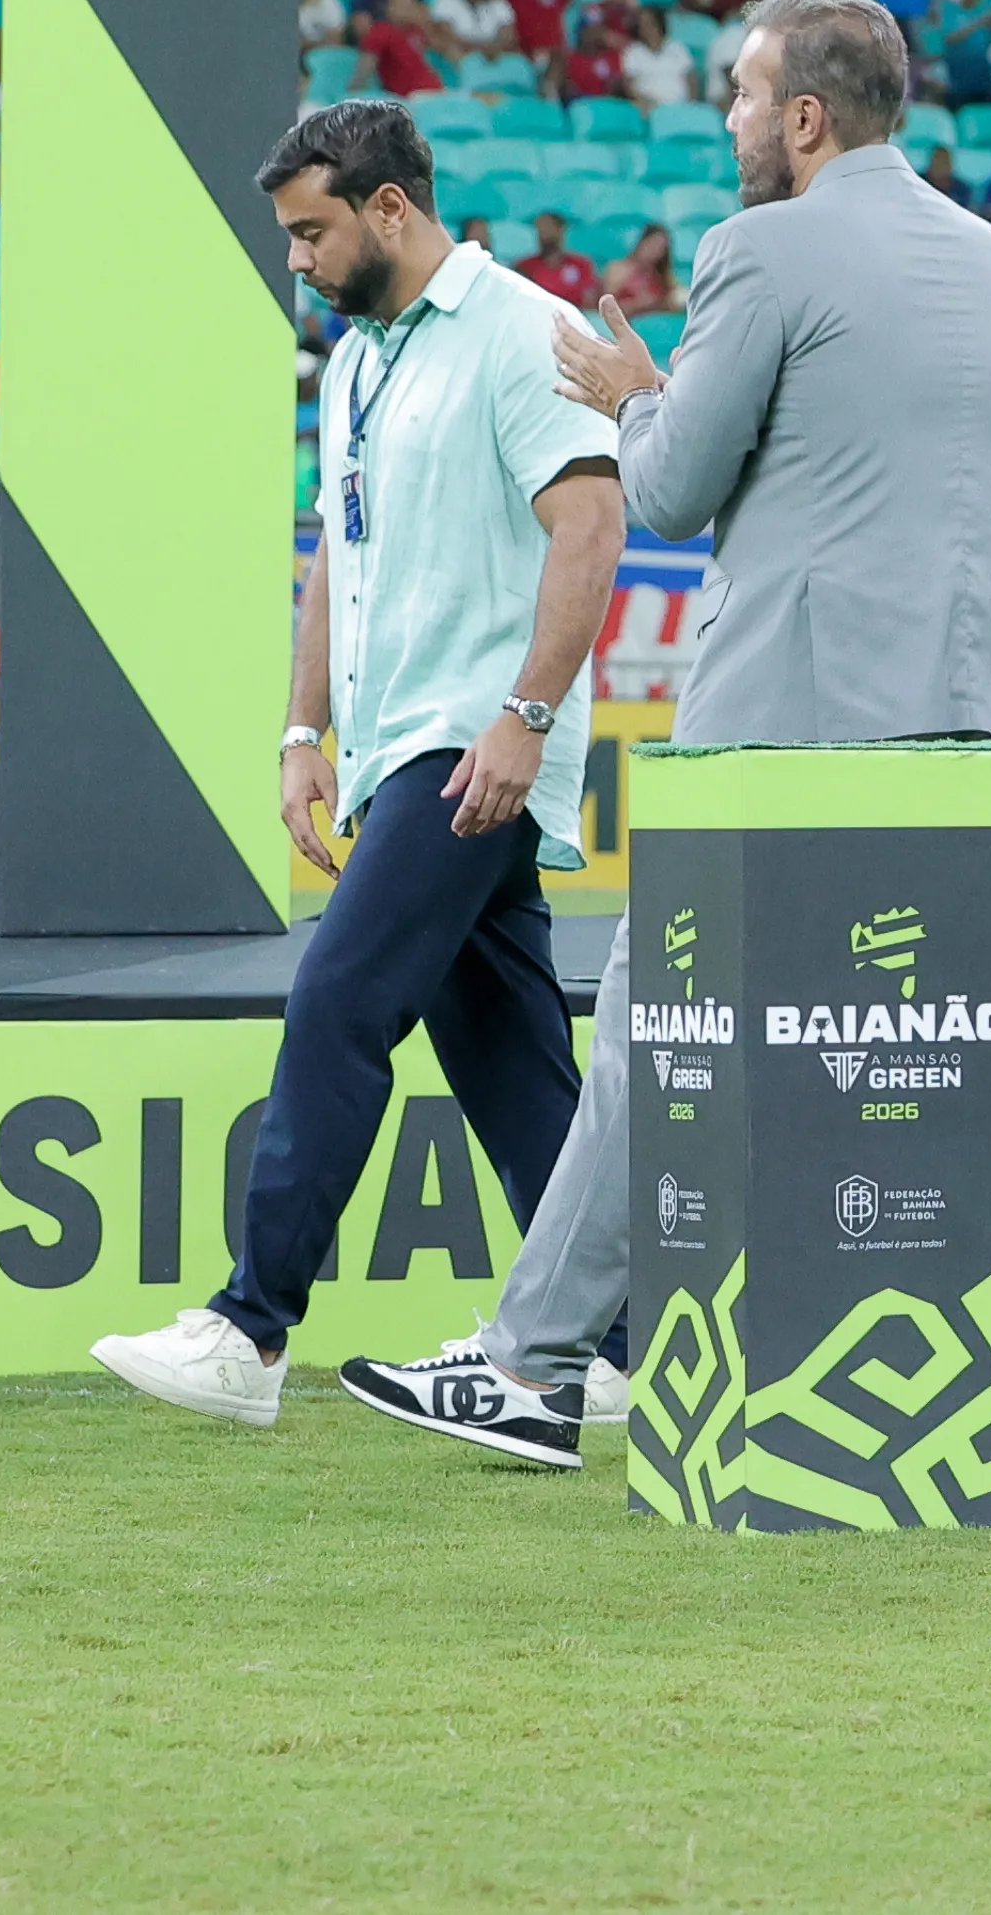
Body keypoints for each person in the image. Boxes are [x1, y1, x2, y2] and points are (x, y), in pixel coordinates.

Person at [340, 0, 991, 1460]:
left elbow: (664, 490)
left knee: (662, 1030)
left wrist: (639, 390)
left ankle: (533, 1363)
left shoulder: (759, 247)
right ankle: (979, 1398)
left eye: (740, 91)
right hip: (974, 707)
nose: (726, 115)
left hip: (792, 713)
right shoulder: (990, 259)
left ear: (804, 116)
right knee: (929, 1046)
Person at [93, 102, 622, 1436]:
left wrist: (524, 715)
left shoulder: (522, 330)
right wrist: (299, 731)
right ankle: (615, 1343)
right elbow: (340, 549)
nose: (300, 260)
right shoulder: (352, 365)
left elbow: (592, 519)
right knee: (508, 1058)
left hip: (473, 745)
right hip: (402, 751)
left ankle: (251, 1325)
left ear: (393, 208)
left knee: (336, 996)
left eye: (313, 231)